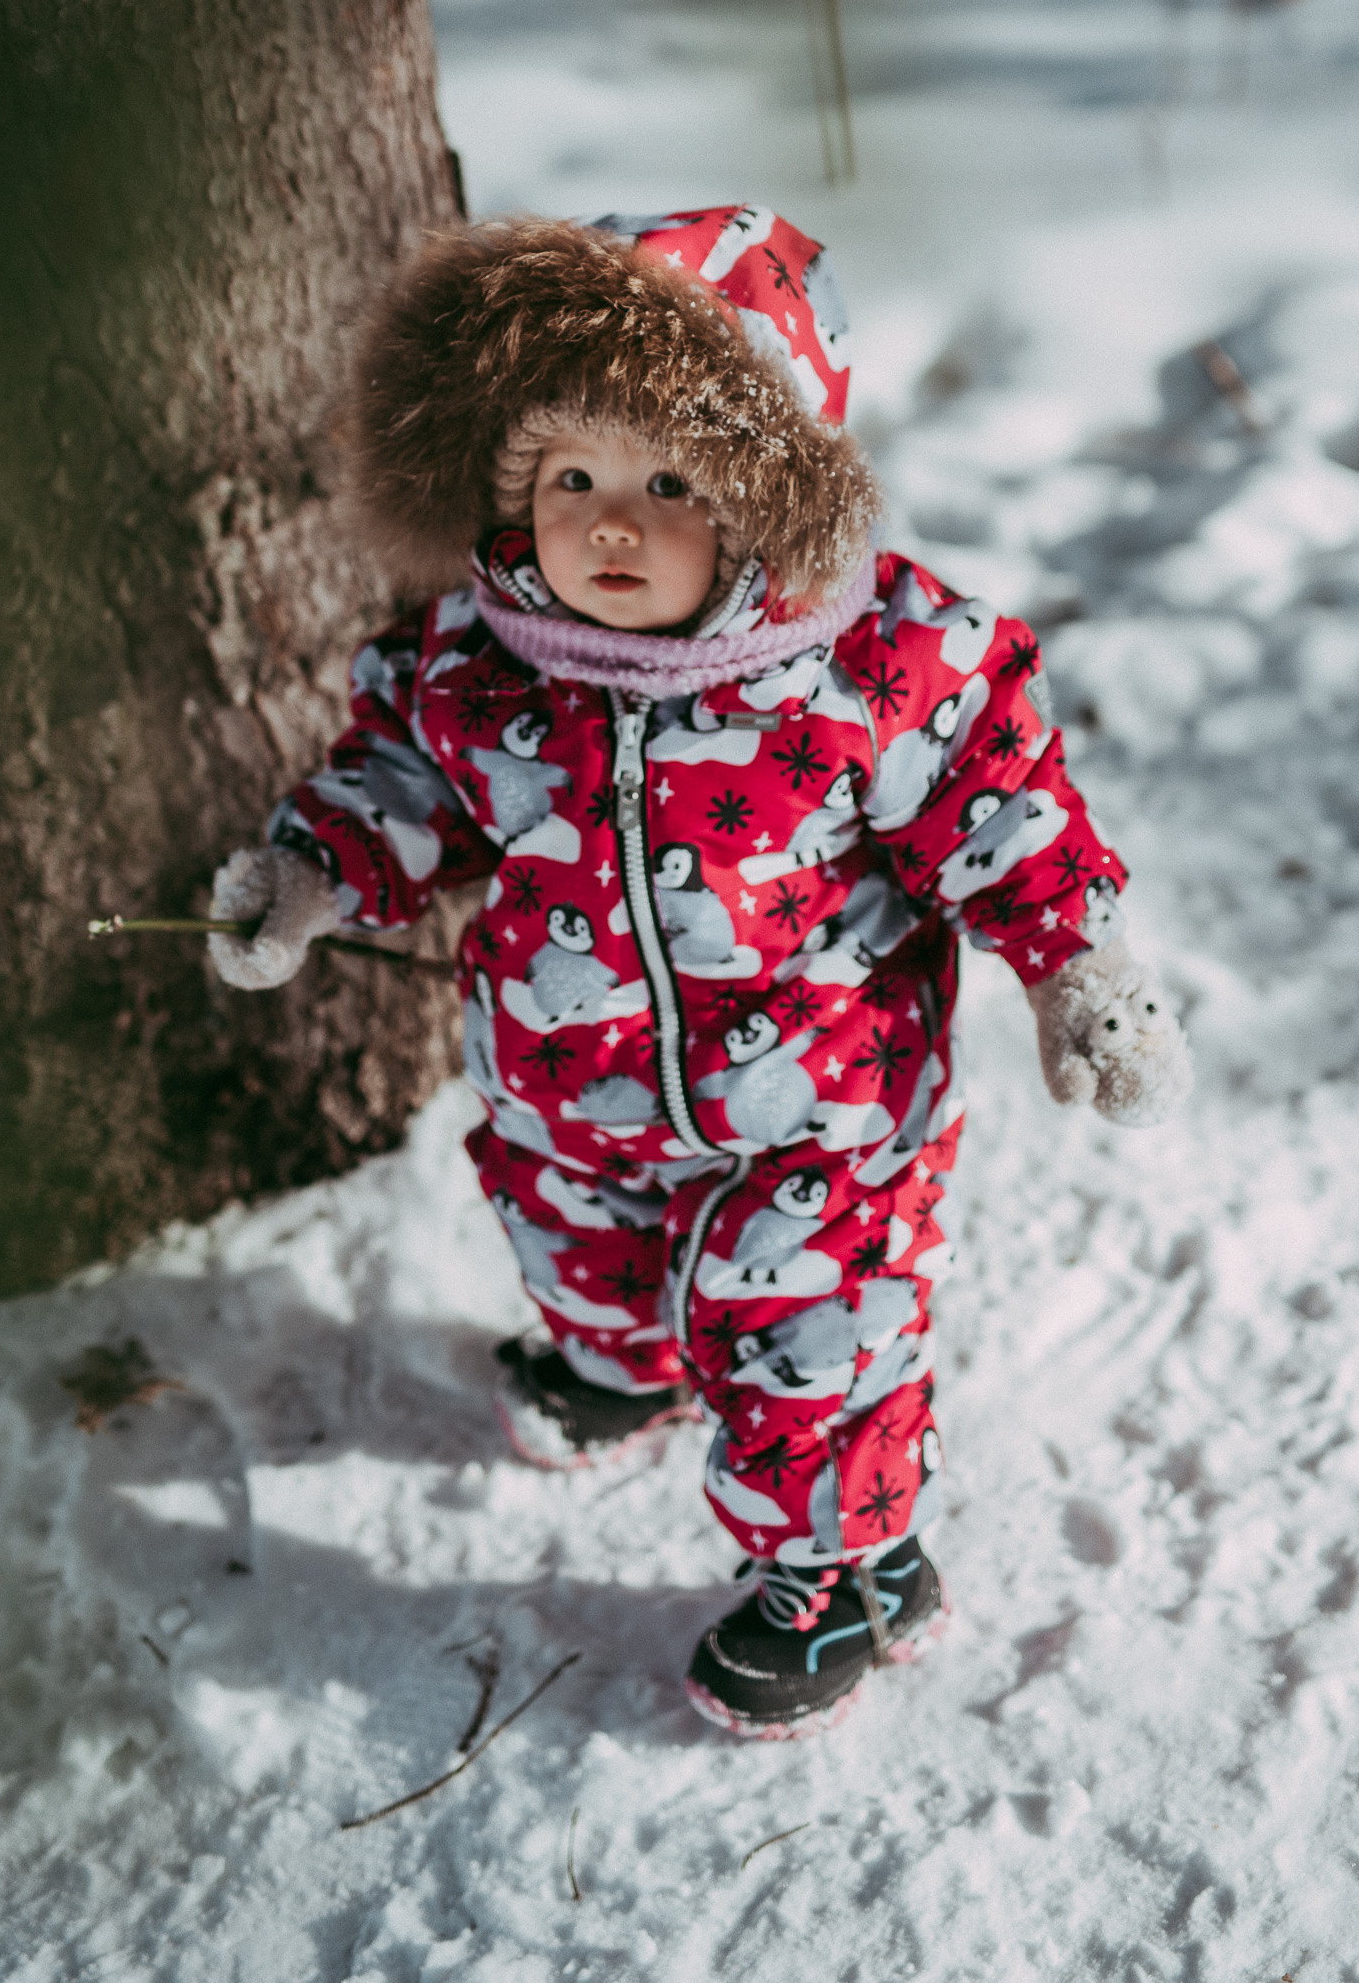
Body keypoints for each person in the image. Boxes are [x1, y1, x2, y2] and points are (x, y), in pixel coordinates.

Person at [209, 207, 1192, 1737]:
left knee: (805, 1337)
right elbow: (397, 783)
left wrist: (1085, 972)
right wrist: (311, 874)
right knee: (567, 1240)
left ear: (765, 491)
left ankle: (849, 1570)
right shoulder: (476, 663)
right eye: (571, 481)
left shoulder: (876, 665)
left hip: (823, 1111)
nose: (610, 526)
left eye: (669, 484)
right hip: (567, 1087)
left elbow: (1009, 814)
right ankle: (623, 1362)